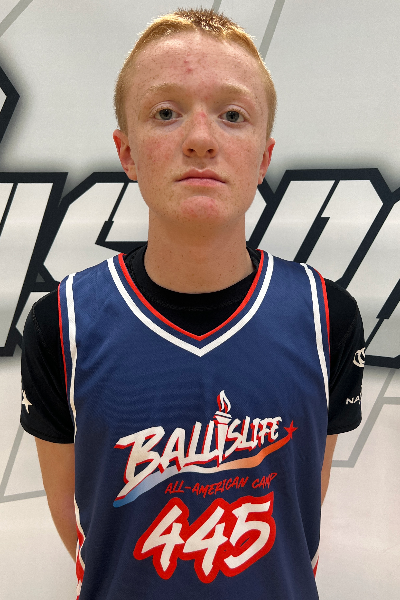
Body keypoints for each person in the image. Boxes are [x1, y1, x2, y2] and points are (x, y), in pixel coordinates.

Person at [20, 8, 364, 600]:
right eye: (165, 113)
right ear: (127, 152)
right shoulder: (62, 321)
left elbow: (301, 508)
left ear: (263, 157)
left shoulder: (326, 316)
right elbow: (83, 529)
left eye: (232, 115)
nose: (201, 139)